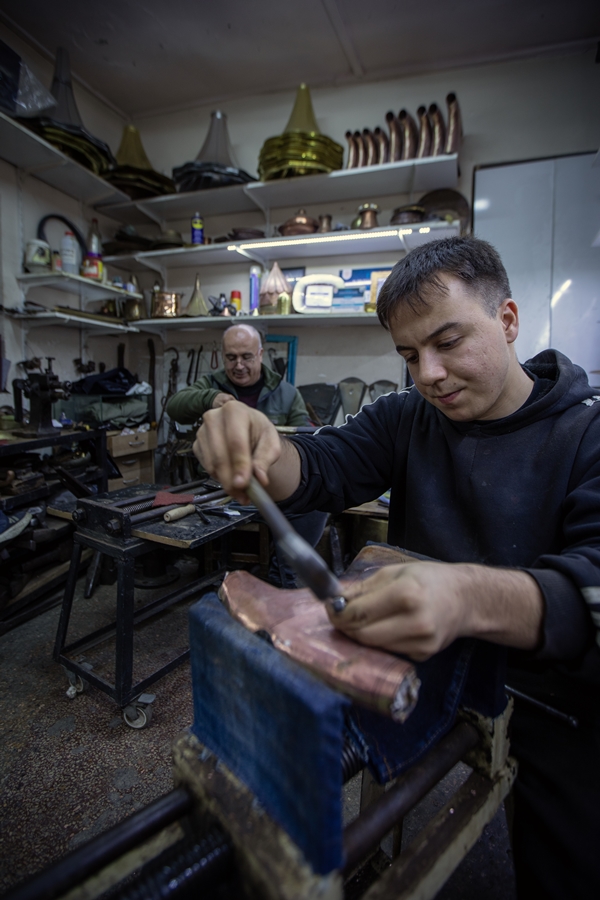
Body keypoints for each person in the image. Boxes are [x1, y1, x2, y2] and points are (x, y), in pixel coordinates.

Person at [193, 237, 600, 899]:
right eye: (409, 356)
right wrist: (265, 450)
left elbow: (591, 581)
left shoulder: (586, 433)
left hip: (550, 694)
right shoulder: (407, 417)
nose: (429, 374)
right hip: (414, 667)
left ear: (508, 320)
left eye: (448, 342)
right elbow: (325, 466)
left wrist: (468, 596)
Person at [166, 323, 326, 586]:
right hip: (219, 489)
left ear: (260, 355)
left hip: (270, 487)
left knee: (316, 503)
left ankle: (284, 578)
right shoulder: (212, 383)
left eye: (246, 357)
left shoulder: (285, 393)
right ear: (223, 356)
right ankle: (218, 579)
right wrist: (212, 398)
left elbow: (305, 437)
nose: (238, 365)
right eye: (231, 358)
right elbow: (174, 407)